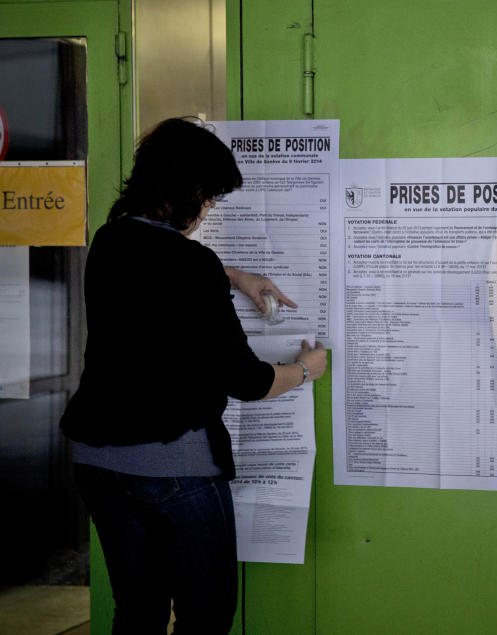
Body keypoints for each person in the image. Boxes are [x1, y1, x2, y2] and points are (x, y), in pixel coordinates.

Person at [59, 117, 327, 634]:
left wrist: (231, 275)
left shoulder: (110, 240)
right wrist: (304, 369)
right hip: (173, 466)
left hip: (97, 461)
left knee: (138, 610)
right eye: (209, 197)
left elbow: (157, 268)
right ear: (185, 190)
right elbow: (249, 381)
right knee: (206, 614)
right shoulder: (192, 264)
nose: (207, 211)